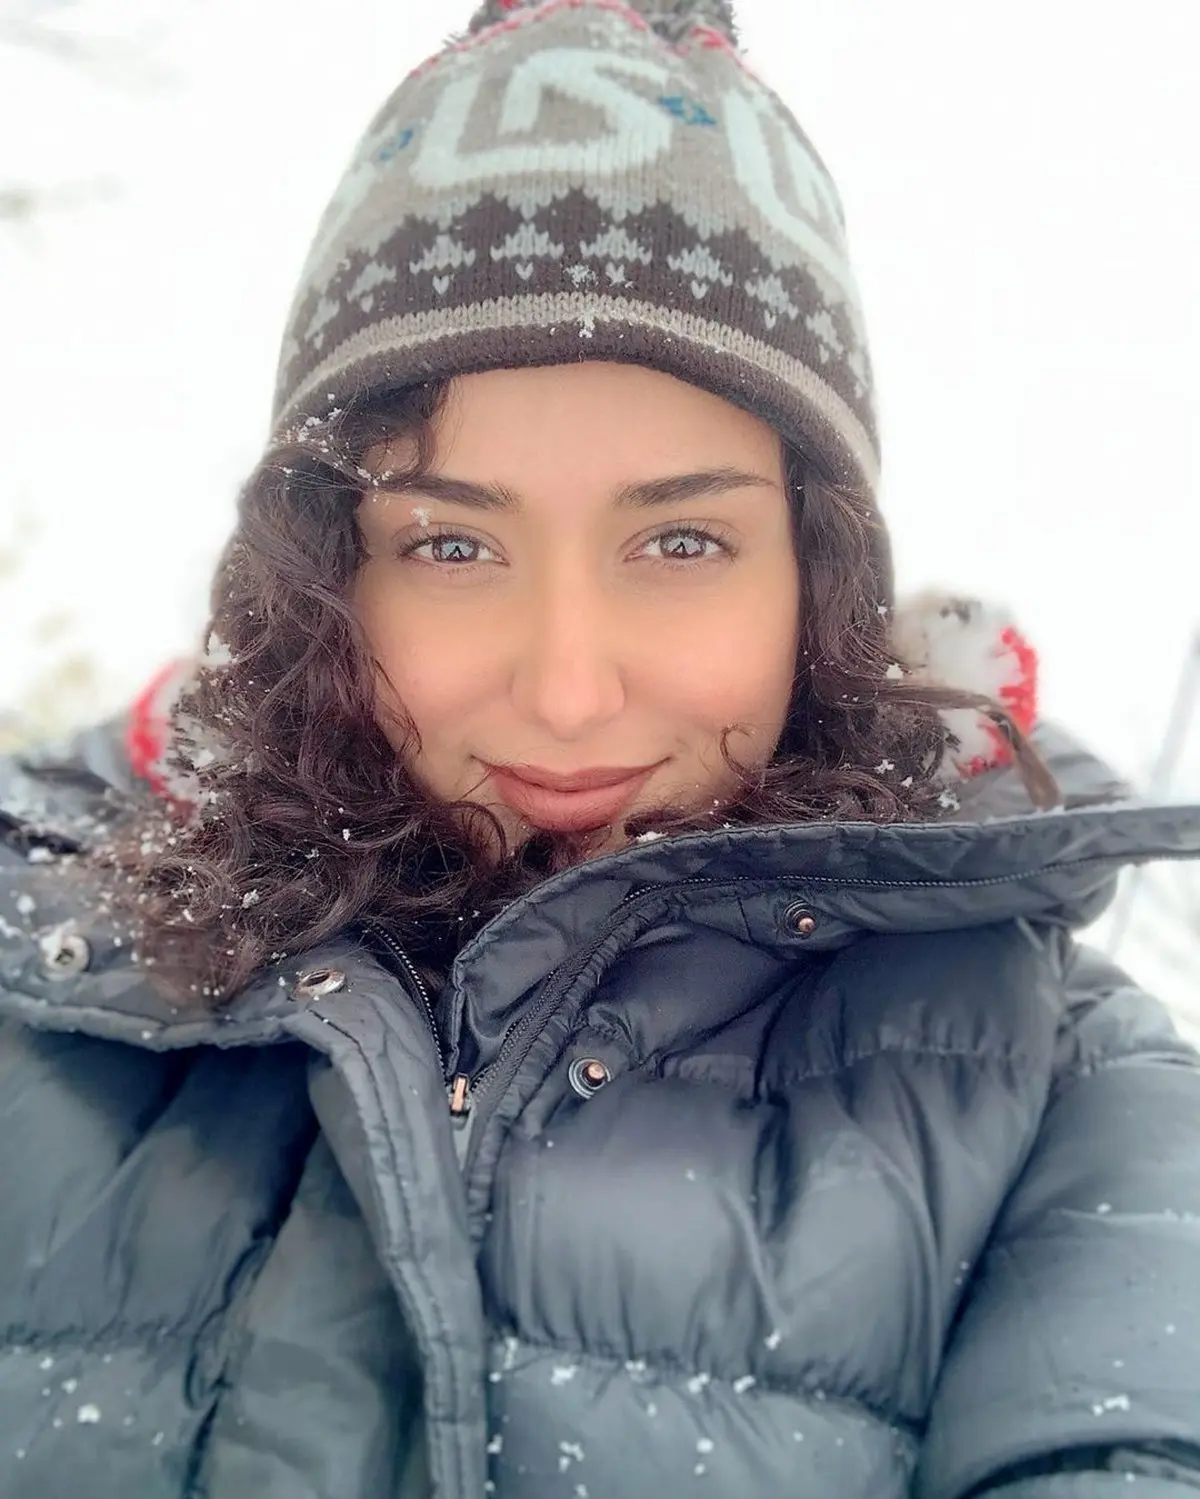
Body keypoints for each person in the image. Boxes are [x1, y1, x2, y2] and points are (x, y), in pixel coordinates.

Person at [2, 0, 1199, 1494]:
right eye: (450, 545)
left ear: (819, 578)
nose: (569, 693)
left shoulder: (1071, 1104)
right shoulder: (45, 963)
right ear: (321, 575)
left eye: (682, 540)